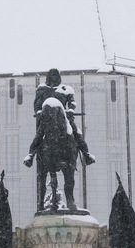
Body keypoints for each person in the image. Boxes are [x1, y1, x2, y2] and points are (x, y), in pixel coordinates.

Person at [24, 68, 95, 212]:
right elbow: (37, 106)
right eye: (53, 76)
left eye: (57, 76)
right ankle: (30, 156)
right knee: (38, 136)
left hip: (65, 119)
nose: (55, 78)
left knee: (76, 133)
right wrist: (41, 113)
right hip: (47, 119)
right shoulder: (42, 89)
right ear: (49, 77)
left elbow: (72, 103)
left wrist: (70, 110)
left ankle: (86, 154)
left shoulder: (66, 89)